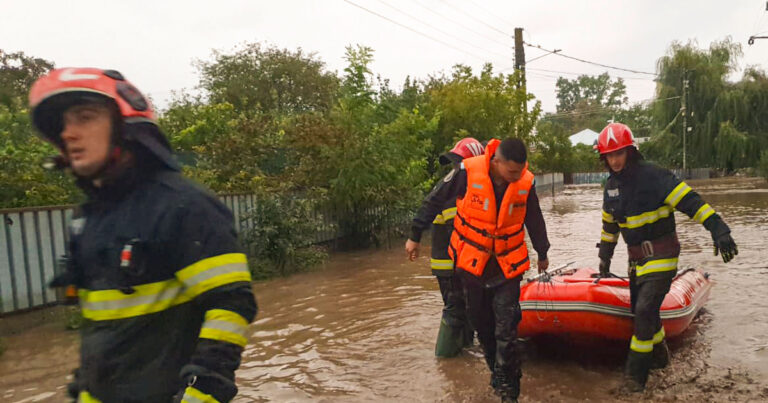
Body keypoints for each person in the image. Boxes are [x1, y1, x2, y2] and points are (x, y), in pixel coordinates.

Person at [29, 67, 258, 402]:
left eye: (85, 117)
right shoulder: (87, 218)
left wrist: (202, 393)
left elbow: (232, 302)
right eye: (63, 124)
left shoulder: (184, 206)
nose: (69, 133)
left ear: (125, 127)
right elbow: (103, 331)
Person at [595, 122, 738, 392]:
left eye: (619, 153)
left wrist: (718, 228)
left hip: (662, 255)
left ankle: (634, 380)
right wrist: (604, 260)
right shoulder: (611, 188)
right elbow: (609, 228)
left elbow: (691, 202)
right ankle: (660, 357)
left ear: (630, 151)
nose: (614, 160)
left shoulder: (655, 177)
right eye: (609, 155)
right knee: (643, 314)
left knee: (646, 309)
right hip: (636, 261)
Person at [406, 138, 550, 402]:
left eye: (520, 171)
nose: (515, 177)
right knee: (483, 327)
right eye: (511, 172)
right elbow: (434, 200)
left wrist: (543, 251)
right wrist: (415, 234)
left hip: (507, 268)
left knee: (506, 329)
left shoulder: (524, 183)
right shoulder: (465, 174)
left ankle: (509, 392)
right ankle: (499, 374)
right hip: (472, 266)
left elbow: (534, 218)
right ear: (496, 162)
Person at [424, 138, 484, 357]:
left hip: (455, 262)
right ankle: (445, 358)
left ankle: (465, 349)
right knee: (455, 308)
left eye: (459, 163)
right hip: (450, 264)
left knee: (465, 308)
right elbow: (462, 228)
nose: (456, 168)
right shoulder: (455, 190)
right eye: (455, 164)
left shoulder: (455, 187)